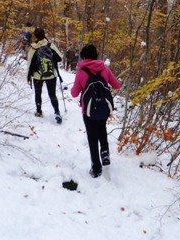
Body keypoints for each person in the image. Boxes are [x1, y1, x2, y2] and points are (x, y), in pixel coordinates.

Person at [70, 44, 121, 178]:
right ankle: (105, 153)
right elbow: (117, 85)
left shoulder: (81, 73)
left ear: (84, 57)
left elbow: (74, 93)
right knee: (102, 129)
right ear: (96, 55)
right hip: (103, 108)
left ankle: (96, 168)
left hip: (88, 111)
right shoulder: (104, 69)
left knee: (92, 138)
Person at [26, 27, 64, 124]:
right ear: (44, 35)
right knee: (52, 95)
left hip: (37, 75)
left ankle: (39, 111)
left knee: (38, 93)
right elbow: (60, 58)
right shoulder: (50, 45)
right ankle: (57, 112)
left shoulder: (33, 48)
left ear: (35, 36)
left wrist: (28, 76)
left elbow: (29, 63)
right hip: (51, 75)